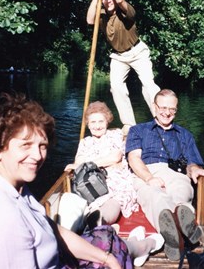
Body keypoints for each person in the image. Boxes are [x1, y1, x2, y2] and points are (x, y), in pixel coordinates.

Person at [0, 93, 122, 269]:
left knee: (109, 240)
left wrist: (106, 258)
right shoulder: (4, 219)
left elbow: (53, 230)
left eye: (42, 146)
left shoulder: (11, 187)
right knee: (118, 248)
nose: (37, 156)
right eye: (25, 145)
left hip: (59, 259)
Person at [65, 101, 164, 266]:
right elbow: (78, 162)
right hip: (92, 184)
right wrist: (97, 162)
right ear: (88, 124)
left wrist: (89, 163)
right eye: (93, 122)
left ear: (107, 121)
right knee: (90, 199)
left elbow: (115, 157)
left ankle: (100, 220)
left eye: (100, 121)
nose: (97, 126)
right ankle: (95, 221)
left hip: (116, 178)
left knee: (113, 199)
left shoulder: (116, 134)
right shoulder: (85, 142)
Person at [125, 89, 204, 262]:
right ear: (154, 107)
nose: (167, 113)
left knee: (181, 189)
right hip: (146, 172)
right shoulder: (138, 130)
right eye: (163, 107)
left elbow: (191, 163)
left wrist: (194, 169)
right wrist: (149, 178)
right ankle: (176, 231)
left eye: (171, 109)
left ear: (176, 110)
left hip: (176, 173)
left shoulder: (185, 135)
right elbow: (134, 158)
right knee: (154, 195)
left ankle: (179, 225)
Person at [86, 0, 160, 134]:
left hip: (138, 51)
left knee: (149, 85)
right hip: (118, 56)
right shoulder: (101, 15)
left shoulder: (126, 11)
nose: (108, 0)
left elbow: (120, 0)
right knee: (116, 86)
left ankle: (159, 117)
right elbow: (90, 20)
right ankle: (128, 124)